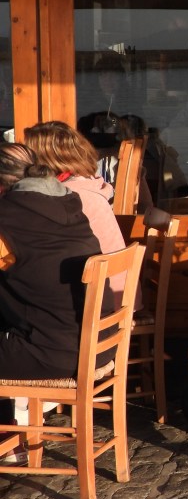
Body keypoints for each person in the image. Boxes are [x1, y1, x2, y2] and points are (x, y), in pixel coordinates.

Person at [0, 143, 104, 464]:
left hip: (52, 352)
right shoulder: (71, 205)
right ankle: (10, 440)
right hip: (90, 344)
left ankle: (8, 440)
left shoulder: (9, 214)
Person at [23, 121, 130, 304]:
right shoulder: (88, 183)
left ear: (44, 158)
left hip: (97, 304)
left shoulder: (70, 197)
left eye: (27, 153)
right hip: (114, 296)